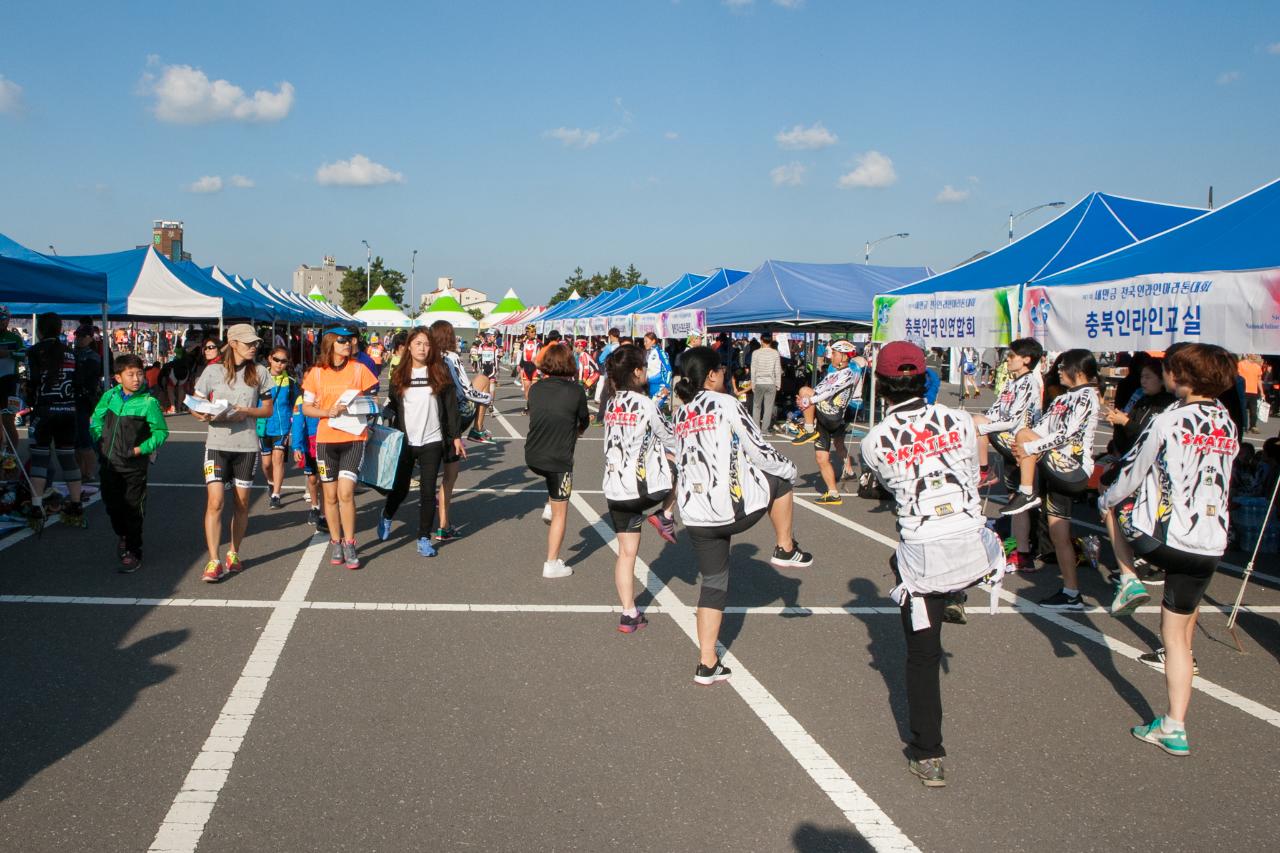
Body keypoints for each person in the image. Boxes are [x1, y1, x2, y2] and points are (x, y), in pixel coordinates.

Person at [860, 341, 1004, 788]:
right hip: (974, 546)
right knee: (928, 559)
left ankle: (929, 753)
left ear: (881, 386)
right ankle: (957, 593)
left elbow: (887, 485)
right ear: (925, 379)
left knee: (923, 656)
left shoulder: (874, 441)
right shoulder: (961, 420)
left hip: (924, 551)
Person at [1099, 344, 1240, 756]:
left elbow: (1131, 470)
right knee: (1179, 639)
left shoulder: (1168, 419)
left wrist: (1107, 498)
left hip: (1161, 537)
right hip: (1211, 544)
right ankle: (1175, 725)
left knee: (1109, 503)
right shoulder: (1228, 423)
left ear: (1182, 376)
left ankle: (1127, 578)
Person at [673, 346, 813, 686]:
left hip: (694, 513)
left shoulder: (681, 413)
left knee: (713, 584)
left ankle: (707, 664)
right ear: (711, 375)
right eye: (722, 370)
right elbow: (758, 449)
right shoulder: (727, 404)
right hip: (729, 508)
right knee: (780, 480)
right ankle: (784, 546)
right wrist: (790, 469)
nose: (726, 375)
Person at [1002, 349, 1101, 610]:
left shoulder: (1088, 396)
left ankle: (1027, 491)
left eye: (1063, 366)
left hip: (1072, 466)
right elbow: (1041, 428)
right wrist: (1020, 446)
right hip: (1054, 464)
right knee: (1059, 534)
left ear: (1079, 371)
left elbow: (1067, 435)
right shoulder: (1063, 398)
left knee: (1024, 438)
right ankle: (1071, 592)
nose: (1058, 369)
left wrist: (1030, 448)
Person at [602, 345, 679, 632]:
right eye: (645, 367)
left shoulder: (612, 402)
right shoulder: (645, 404)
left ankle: (629, 613)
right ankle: (666, 516)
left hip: (615, 490)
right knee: (680, 465)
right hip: (643, 490)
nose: (648, 371)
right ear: (637, 372)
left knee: (626, 553)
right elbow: (669, 437)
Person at [191, 326, 276, 582]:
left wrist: (247, 412)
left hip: (247, 446)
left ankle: (233, 553)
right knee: (215, 502)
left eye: (256, 343)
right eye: (248, 343)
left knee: (240, 504)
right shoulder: (213, 370)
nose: (254, 347)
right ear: (233, 343)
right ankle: (213, 560)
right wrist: (202, 414)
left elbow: (268, 409)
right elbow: (196, 402)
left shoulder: (260, 372)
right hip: (216, 444)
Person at [378, 327, 465, 557]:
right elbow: (393, 404)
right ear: (409, 346)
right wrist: (380, 413)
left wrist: (456, 436)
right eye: (418, 343)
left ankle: (424, 538)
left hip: (433, 440)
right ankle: (387, 515)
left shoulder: (439, 371)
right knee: (401, 489)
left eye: (426, 344)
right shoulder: (399, 373)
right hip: (406, 441)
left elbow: (450, 406)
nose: (422, 348)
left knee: (428, 492)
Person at [301, 326, 380, 570]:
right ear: (331, 343)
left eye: (350, 340)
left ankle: (350, 542)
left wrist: (363, 410)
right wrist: (327, 411)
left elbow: (373, 400)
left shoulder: (359, 369)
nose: (349, 344)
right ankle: (335, 541)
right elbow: (306, 408)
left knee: (346, 492)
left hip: (354, 438)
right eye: (343, 341)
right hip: (326, 440)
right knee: (331, 495)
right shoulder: (316, 373)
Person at [969, 339, 1044, 572]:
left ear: (1026, 359)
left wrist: (982, 426)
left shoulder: (1030, 382)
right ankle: (1019, 553)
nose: (1007, 360)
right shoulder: (1012, 383)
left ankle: (984, 471)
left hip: (1022, 446)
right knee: (1015, 501)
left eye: (1011, 356)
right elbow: (995, 411)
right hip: (1007, 441)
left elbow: (1012, 420)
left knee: (1021, 500)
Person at [90, 353, 169, 572]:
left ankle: (134, 551)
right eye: (130, 374)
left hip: (134, 466)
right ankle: (123, 535)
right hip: (108, 463)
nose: (136, 379)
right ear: (118, 377)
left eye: (139, 374)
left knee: (134, 508)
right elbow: (95, 419)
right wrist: (99, 440)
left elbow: (161, 432)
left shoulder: (149, 402)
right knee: (112, 505)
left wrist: (140, 449)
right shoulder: (109, 396)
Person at [524, 342, 589, 578]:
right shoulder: (576, 391)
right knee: (562, 511)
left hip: (532, 454)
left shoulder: (536, 388)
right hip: (559, 461)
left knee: (551, 477)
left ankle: (550, 503)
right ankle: (551, 563)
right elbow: (584, 422)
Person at [24, 312, 87, 530]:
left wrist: (31, 399)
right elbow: (79, 383)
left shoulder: (34, 351)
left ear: (39, 330)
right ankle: (76, 504)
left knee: (40, 457)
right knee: (67, 456)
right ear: (60, 329)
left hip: (44, 410)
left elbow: (31, 382)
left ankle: (36, 505)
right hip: (68, 410)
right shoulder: (70, 353)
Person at [430, 321, 491, 541]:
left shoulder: (426, 359)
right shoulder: (451, 357)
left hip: (428, 422)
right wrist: (488, 398)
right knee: (449, 477)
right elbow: (466, 390)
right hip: (455, 418)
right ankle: (478, 428)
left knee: (431, 478)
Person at [789, 340, 866, 506]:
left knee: (805, 391)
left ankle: (809, 429)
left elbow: (828, 392)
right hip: (824, 414)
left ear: (844, 356)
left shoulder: (849, 373)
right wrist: (805, 401)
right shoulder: (833, 372)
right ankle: (833, 493)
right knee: (821, 456)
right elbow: (819, 389)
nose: (832, 357)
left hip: (834, 414)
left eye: (835, 354)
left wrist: (808, 400)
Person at [257, 346, 299, 509]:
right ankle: (270, 481)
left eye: (283, 361)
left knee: (278, 459)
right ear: (269, 358)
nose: (279, 364)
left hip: (282, 428)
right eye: (276, 360)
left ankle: (276, 494)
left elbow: (298, 406)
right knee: (266, 464)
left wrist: (294, 429)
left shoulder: (291, 382)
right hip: (263, 426)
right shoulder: (259, 378)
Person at [1105, 359, 1173, 459]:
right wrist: (1117, 419)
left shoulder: (1168, 405)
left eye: (1148, 377)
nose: (1143, 381)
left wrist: (1125, 421)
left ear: (1162, 380)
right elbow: (1129, 426)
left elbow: (1149, 434)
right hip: (1128, 456)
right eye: (1142, 377)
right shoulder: (1141, 399)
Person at [289, 392, 326, 532]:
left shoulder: (325, 395)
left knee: (324, 480)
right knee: (312, 479)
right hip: (309, 444)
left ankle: (323, 513)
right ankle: (314, 506)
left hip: (325, 441)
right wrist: (296, 447)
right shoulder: (301, 400)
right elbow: (297, 425)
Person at [72, 324, 104, 483]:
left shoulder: (93, 356)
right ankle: (78, 472)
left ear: (90, 338)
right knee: (75, 440)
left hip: (87, 401)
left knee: (86, 439)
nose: (79, 339)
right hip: (72, 400)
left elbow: (88, 379)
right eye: (77, 335)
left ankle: (89, 473)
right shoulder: (71, 353)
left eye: (82, 336)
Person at [0, 305, 26, 470]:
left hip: (10, 381)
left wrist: (8, 354)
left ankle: (10, 457)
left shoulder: (14, 337)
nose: (1, 322)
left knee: (8, 419)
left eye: (3, 319)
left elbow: (24, 355)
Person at [749, 333, 782, 433]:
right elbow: (777, 369)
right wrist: (778, 383)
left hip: (759, 382)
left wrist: (753, 383)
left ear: (761, 340)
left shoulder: (756, 353)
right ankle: (765, 429)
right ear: (771, 341)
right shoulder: (775, 353)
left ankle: (756, 428)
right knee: (768, 407)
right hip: (771, 383)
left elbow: (753, 369)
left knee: (757, 406)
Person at [642, 332, 673, 411]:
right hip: (651, 386)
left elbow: (669, 370)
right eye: (644, 341)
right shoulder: (649, 353)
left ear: (653, 341)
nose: (644, 343)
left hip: (660, 387)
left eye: (646, 341)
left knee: (654, 410)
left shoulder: (660, 352)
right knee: (654, 412)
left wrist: (666, 386)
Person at [1238, 353, 1264, 434]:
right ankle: (1242, 425)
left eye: (1257, 354)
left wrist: (1262, 392)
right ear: (1249, 354)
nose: (1256, 355)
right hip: (1243, 390)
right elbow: (1238, 377)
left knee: (1254, 411)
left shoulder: (1257, 367)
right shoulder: (1241, 364)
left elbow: (1259, 380)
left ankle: (1253, 426)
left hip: (1254, 391)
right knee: (1242, 409)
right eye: (1254, 353)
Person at [518, 325, 540, 414]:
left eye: (534, 331)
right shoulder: (524, 342)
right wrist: (519, 365)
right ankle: (528, 405)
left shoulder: (538, 343)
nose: (533, 333)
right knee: (527, 388)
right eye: (531, 332)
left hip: (535, 367)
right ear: (527, 333)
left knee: (534, 389)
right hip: (526, 367)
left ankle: (533, 406)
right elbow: (521, 354)